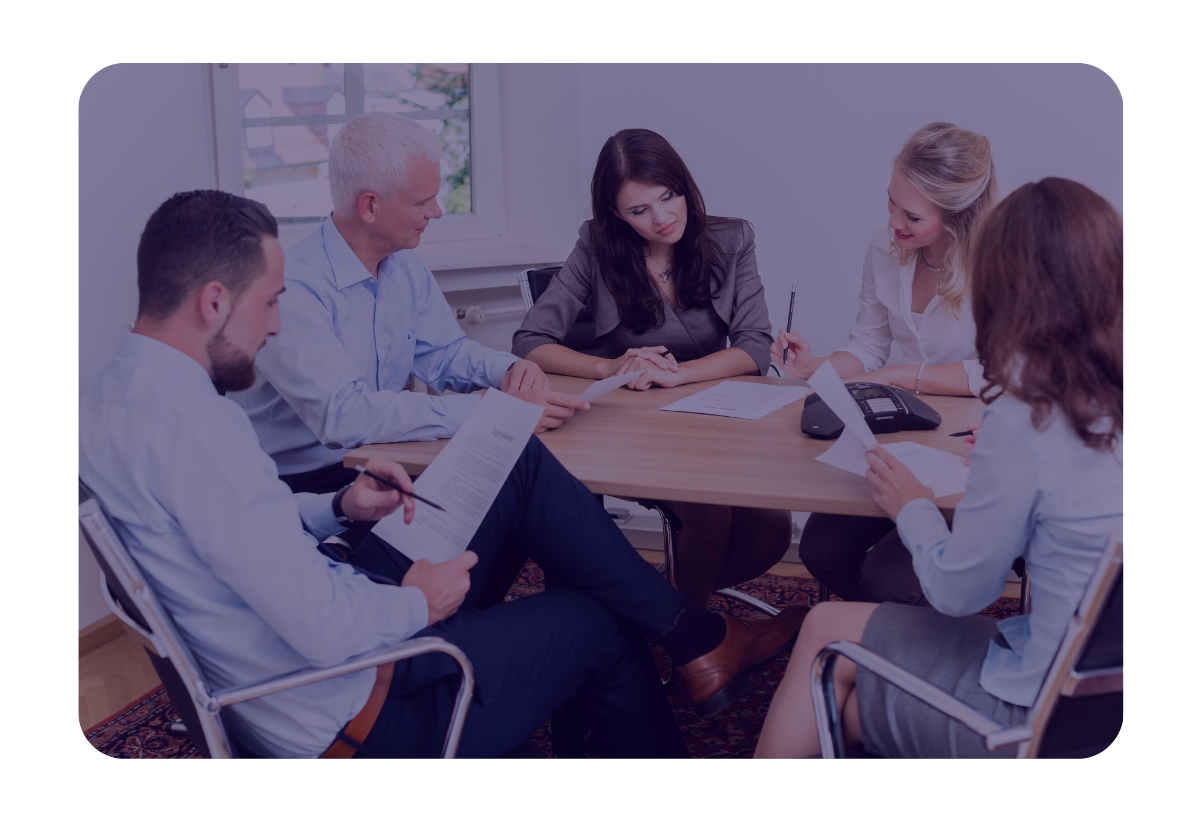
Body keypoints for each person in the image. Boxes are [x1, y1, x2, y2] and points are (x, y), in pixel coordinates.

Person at [79, 191, 808, 758]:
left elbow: (240, 527)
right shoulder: (192, 428)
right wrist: (417, 604)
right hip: (354, 704)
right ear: (213, 300)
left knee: (513, 464)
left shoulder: (120, 397)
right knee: (595, 623)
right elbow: (321, 625)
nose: (275, 326)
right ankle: (686, 646)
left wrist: (339, 506)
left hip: (320, 631)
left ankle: (693, 639)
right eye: (270, 305)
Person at [754, 177, 1124, 759]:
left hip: (1037, 712)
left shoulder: (1026, 418)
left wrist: (915, 507)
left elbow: (960, 592)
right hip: (1101, 698)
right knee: (844, 707)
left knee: (824, 631)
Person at [229, 112, 588, 546]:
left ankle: (460, 608)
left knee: (515, 497)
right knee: (500, 503)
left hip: (380, 459)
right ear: (369, 205)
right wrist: (489, 411)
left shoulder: (404, 268)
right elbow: (346, 418)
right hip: (303, 486)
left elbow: (446, 353)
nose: (436, 212)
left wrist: (507, 370)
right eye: (423, 202)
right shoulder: (291, 289)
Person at [512, 128, 792, 608]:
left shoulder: (732, 238)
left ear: (683, 186)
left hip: (718, 417)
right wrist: (608, 368)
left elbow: (754, 347)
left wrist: (680, 374)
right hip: (636, 424)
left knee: (771, 533)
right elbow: (530, 341)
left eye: (668, 197)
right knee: (710, 521)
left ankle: (649, 610)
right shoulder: (598, 245)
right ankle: (694, 638)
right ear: (616, 214)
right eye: (639, 210)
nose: (662, 218)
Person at [772, 122, 998, 605]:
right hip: (908, 436)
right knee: (821, 550)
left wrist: (900, 375)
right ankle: (884, 639)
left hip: (974, 447)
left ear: (957, 215)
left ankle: (904, 648)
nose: (894, 221)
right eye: (891, 202)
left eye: (911, 215)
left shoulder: (1000, 263)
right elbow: (869, 348)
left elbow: (1000, 374)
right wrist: (814, 366)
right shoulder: (884, 248)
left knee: (888, 578)